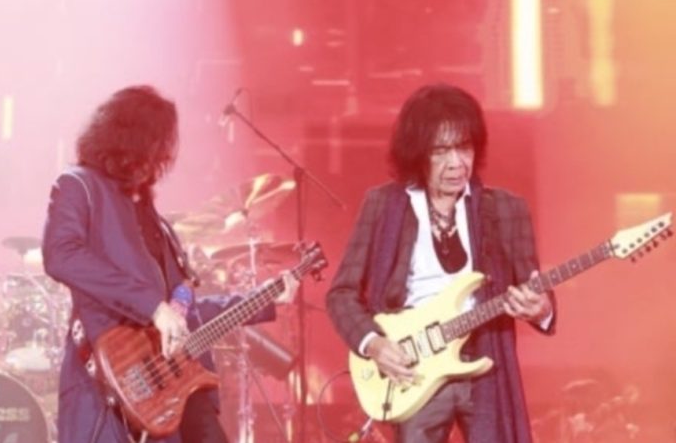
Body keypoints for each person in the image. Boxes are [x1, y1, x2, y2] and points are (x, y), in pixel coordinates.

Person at [42, 85, 296, 443]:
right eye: (156, 146)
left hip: (176, 386)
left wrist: (264, 299)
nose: (161, 161)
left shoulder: (155, 223)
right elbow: (61, 255)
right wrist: (153, 307)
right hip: (111, 385)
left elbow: (184, 313)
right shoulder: (79, 185)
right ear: (131, 141)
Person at [326, 83, 556, 443]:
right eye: (441, 150)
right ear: (418, 153)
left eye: (464, 147)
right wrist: (374, 344)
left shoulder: (505, 210)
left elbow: (534, 286)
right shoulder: (383, 206)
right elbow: (341, 294)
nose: (456, 163)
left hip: (485, 362)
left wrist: (541, 309)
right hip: (415, 369)